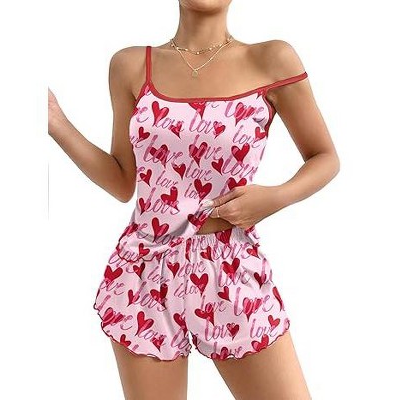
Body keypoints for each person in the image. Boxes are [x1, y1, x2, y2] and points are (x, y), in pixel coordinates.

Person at [48, 0, 340, 398]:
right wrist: (56, 122)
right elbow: (122, 181)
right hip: (145, 272)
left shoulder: (272, 59)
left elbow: (325, 157)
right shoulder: (130, 66)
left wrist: (274, 198)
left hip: (232, 270)